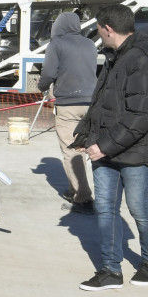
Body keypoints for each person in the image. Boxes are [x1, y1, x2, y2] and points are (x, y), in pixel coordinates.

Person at [73, 3, 148, 291]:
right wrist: (86, 136)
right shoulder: (116, 57)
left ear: (107, 28)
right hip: (106, 149)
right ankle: (111, 269)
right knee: (106, 210)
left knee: (139, 207)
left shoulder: (144, 60)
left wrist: (105, 145)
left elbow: (141, 115)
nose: (98, 35)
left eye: (98, 29)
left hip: (137, 151)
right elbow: (102, 103)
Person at [36, 11, 98, 215]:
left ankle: (83, 198)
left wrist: (41, 86)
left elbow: (48, 73)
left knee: (71, 151)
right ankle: (75, 189)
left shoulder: (57, 44)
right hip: (91, 102)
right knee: (86, 149)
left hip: (68, 104)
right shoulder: (89, 44)